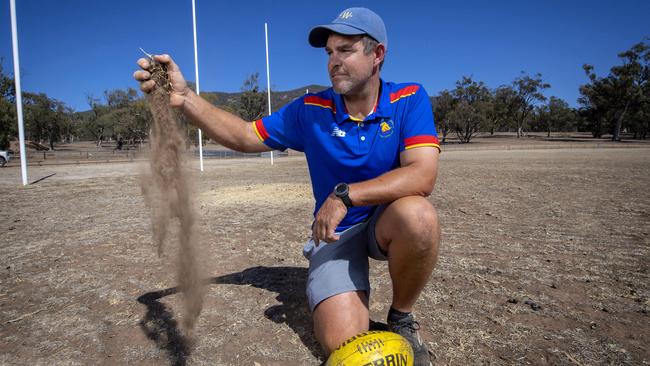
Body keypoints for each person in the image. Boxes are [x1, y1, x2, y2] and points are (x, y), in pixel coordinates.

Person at [134, 7, 440, 365]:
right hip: (334, 234)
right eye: (329, 53)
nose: (333, 61)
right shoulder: (310, 109)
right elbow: (246, 135)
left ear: (378, 54)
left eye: (345, 50)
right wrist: (186, 98)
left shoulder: (409, 98)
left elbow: (422, 176)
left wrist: (346, 195)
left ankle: (401, 317)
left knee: (419, 216)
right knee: (346, 345)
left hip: (388, 220)